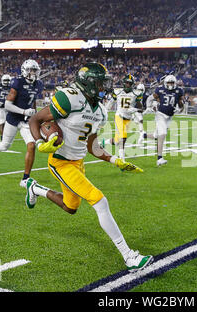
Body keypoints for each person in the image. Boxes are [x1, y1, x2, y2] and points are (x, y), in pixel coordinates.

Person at [27, 62, 153, 273]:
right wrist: (41, 142)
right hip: (60, 161)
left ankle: (35, 189)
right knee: (99, 201)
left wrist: (116, 161)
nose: (104, 87)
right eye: (100, 83)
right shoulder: (70, 98)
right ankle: (129, 256)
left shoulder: (101, 111)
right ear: (88, 83)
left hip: (78, 162)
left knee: (70, 207)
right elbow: (36, 119)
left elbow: (92, 145)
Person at [0, 60, 43, 188]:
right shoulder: (17, 82)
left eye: (35, 70)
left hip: (26, 120)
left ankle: (25, 178)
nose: (33, 73)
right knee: (5, 145)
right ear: (24, 70)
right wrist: (23, 111)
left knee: (31, 145)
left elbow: (33, 101)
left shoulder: (39, 84)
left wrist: (34, 113)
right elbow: (8, 105)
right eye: (31, 70)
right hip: (13, 118)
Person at [142, 75, 184, 166]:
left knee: (156, 136)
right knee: (163, 133)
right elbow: (150, 98)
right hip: (160, 114)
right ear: (165, 83)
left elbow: (181, 105)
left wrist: (179, 110)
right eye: (169, 82)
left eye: (172, 83)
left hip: (169, 117)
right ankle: (159, 158)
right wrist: (148, 107)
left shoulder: (179, 91)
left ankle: (143, 135)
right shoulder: (160, 89)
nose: (170, 84)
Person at [103, 74, 143, 160]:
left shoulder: (136, 93)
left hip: (128, 118)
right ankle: (122, 159)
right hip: (119, 116)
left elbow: (141, 108)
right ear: (123, 83)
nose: (128, 85)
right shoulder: (118, 91)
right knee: (123, 138)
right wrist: (105, 110)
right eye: (126, 83)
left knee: (117, 140)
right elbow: (111, 103)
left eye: (129, 83)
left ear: (132, 84)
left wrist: (134, 109)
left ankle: (104, 142)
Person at [0, 74, 12, 139]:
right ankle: (2, 140)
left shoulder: (11, 87)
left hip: (8, 107)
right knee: (3, 122)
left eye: (8, 80)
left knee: (6, 123)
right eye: (5, 80)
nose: (6, 82)